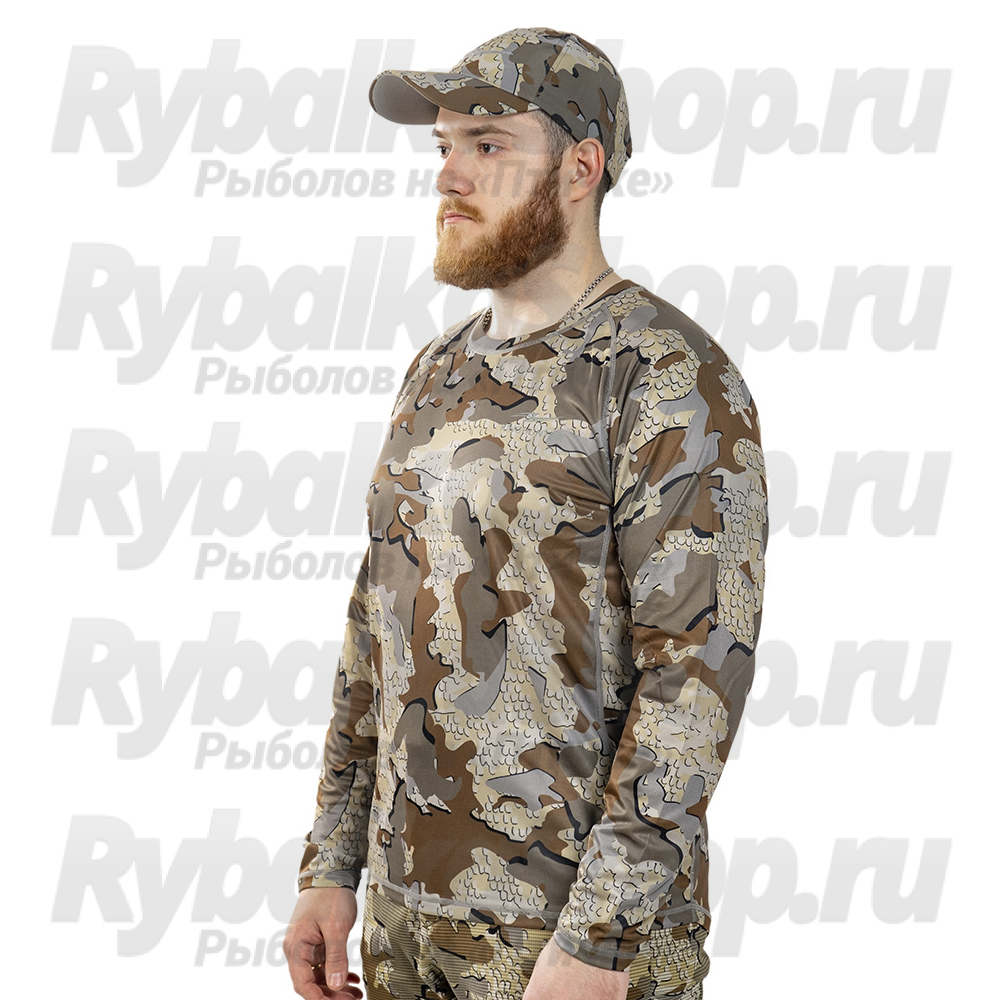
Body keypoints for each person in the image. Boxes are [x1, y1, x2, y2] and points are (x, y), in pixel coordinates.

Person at [283, 26, 768, 1000]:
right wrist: (331, 866)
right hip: (406, 930)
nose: (449, 174)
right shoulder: (436, 369)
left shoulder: (663, 374)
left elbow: (695, 676)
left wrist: (599, 939)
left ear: (580, 167)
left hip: (569, 946)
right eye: (444, 145)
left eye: (488, 143)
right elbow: (376, 627)